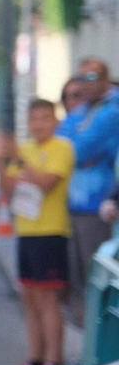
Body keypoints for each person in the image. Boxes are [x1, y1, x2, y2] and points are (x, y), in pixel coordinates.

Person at [0, 99, 74, 365]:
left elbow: (46, 183)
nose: (39, 124)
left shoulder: (61, 148)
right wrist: (2, 160)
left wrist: (18, 158)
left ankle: (54, 363)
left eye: (45, 118)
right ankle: (35, 359)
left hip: (51, 232)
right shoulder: (25, 150)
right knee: (29, 297)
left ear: (55, 121)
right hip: (26, 231)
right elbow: (8, 188)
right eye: (34, 119)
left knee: (48, 300)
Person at [55, 57, 119, 329]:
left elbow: (79, 150)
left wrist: (74, 151)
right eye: (80, 78)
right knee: (76, 283)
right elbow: (61, 141)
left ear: (106, 79)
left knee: (98, 283)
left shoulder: (112, 111)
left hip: (98, 208)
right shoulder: (82, 110)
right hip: (74, 206)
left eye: (91, 78)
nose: (83, 85)